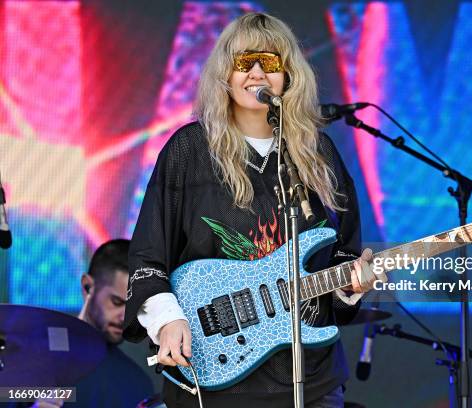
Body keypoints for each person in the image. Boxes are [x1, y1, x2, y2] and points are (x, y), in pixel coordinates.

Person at [123, 12, 385, 408]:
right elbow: (148, 253)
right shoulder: (189, 149)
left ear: (289, 75)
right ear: (224, 74)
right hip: (214, 372)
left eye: (272, 62)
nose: (258, 74)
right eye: (244, 62)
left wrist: (350, 287)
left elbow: (343, 252)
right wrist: (166, 318)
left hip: (309, 376)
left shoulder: (318, 155)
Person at [25, 240, 154, 408]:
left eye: (134, 308)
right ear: (87, 287)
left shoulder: (140, 386)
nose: (126, 317)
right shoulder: (30, 355)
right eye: (116, 302)